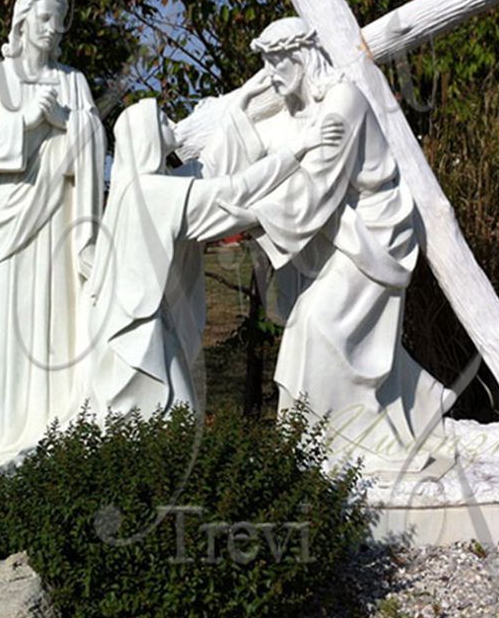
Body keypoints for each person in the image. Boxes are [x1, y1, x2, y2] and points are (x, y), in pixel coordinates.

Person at [200, 17, 452, 480]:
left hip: (373, 233)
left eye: (278, 63)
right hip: (342, 231)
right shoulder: (300, 108)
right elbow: (267, 155)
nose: (272, 74)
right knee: (314, 329)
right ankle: (377, 423)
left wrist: (242, 215)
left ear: (302, 58)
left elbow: (316, 185)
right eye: (266, 64)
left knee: (320, 327)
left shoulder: (342, 101)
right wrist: (243, 104)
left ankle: (353, 442)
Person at [86, 97, 343, 421]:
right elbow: (232, 191)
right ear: (148, 135)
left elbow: (210, 168)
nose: (171, 122)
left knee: (165, 420)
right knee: (166, 419)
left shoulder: (137, 187)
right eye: (162, 119)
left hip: (135, 325)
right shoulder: (154, 193)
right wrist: (301, 147)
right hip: (136, 335)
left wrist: (243, 106)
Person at [0, 0, 106, 463]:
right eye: (43, 19)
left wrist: (69, 121)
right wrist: (24, 120)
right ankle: (7, 431)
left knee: (63, 317)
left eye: (57, 20)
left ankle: (60, 425)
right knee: (17, 317)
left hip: (64, 217)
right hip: (15, 215)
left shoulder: (73, 81)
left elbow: (92, 140)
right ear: (22, 21)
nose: (52, 29)